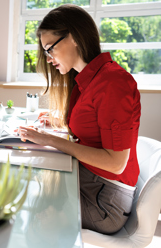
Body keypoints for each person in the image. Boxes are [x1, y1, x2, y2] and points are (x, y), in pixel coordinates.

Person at [17, 4, 141, 234]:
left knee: (22, 203)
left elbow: (116, 162)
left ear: (73, 37)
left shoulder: (112, 83)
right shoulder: (87, 81)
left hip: (105, 202)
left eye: (50, 49)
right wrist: (62, 121)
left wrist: (51, 140)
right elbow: (94, 127)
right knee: (24, 177)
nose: (49, 58)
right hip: (92, 182)